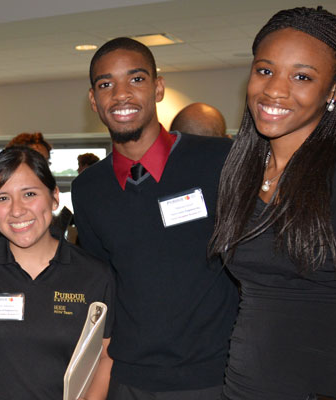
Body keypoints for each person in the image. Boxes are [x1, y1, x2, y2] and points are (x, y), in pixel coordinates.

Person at [208, 7, 336, 399]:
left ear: (335, 88)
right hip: (244, 388)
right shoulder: (241, 171)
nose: (275, 90)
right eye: (265, 70)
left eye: (302, 76)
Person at [71, 37, 238, 399]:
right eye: (106, 84)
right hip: (129, 378)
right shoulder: (89, 189)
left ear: (158, 88)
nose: (121, 94)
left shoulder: (219, 161)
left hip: (212, 376)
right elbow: (106, 285)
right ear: (93, 100)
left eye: (136, 79)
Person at [0, 146, 114, 400]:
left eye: (29, 194)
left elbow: (105, 356)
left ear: (55, 197)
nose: (17, 210)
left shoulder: (94, 275)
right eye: (2, 198)